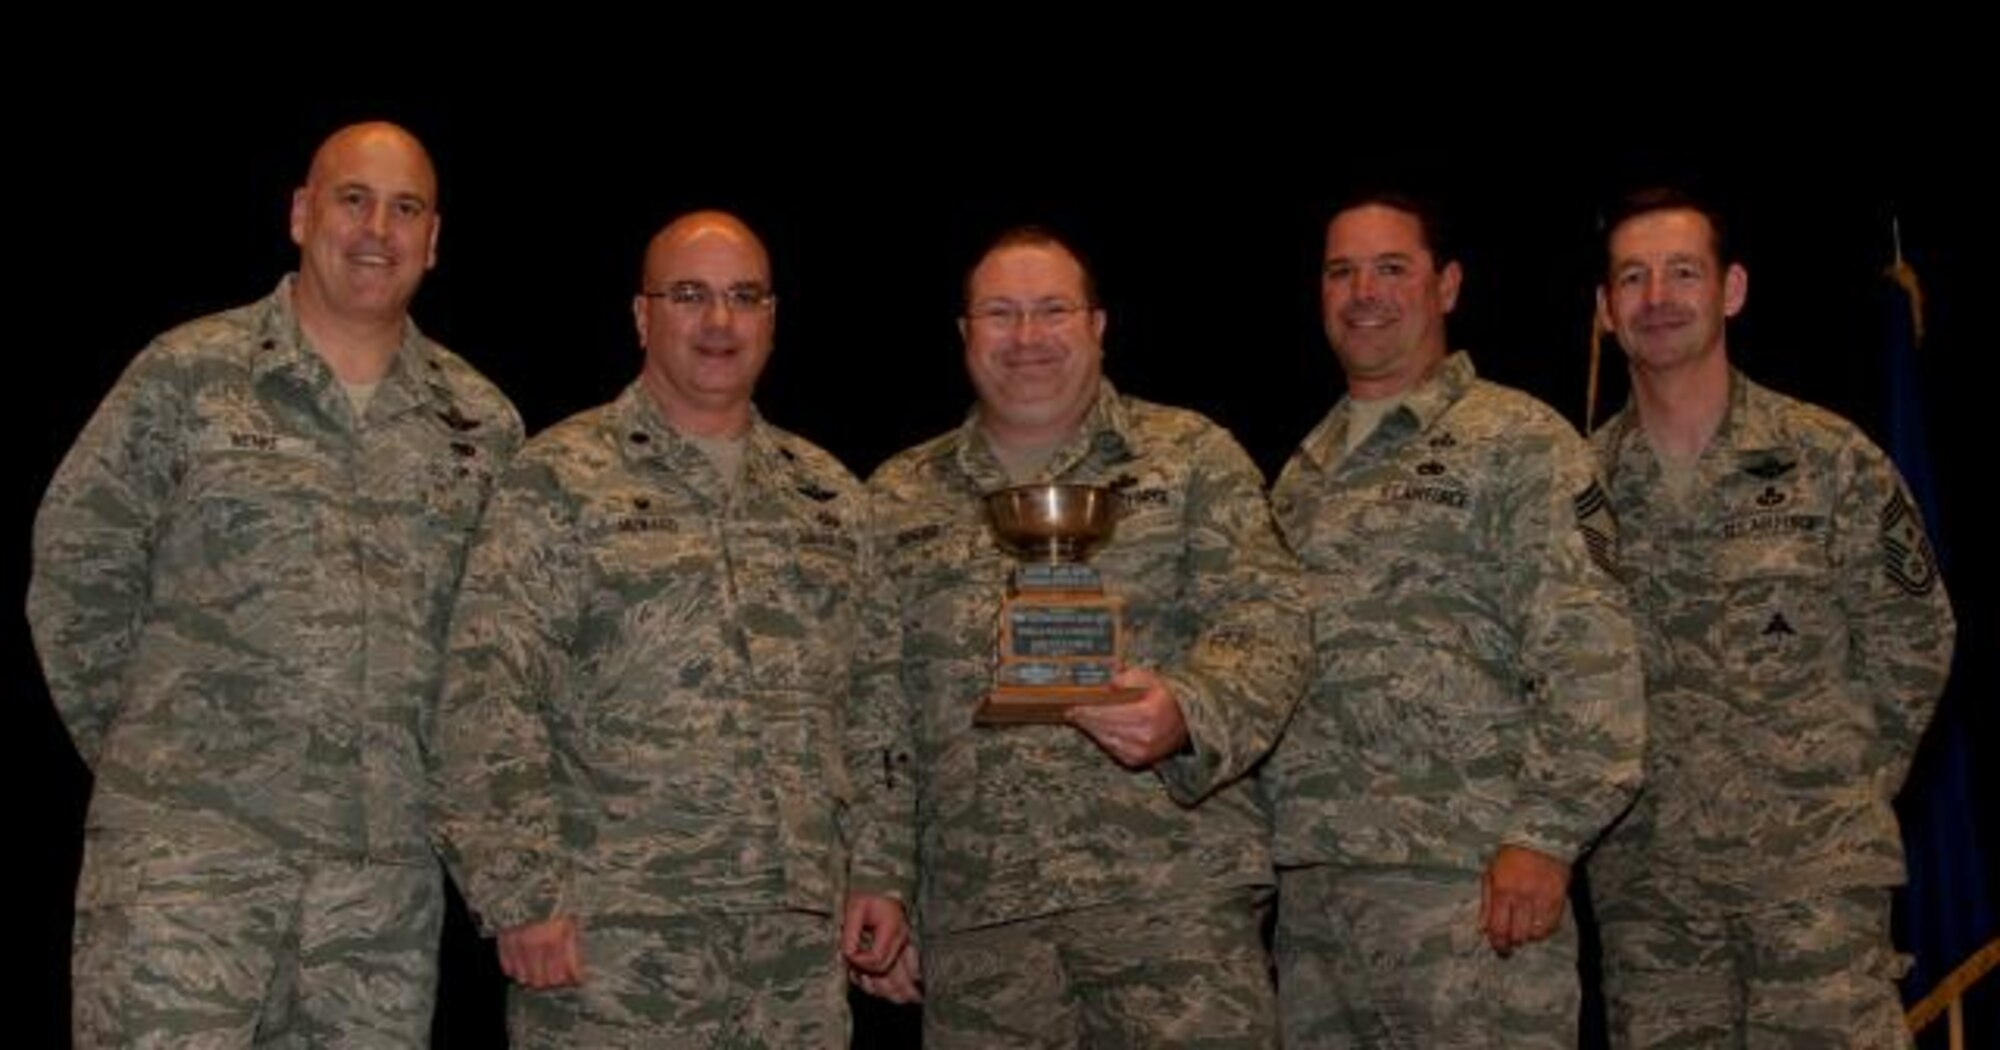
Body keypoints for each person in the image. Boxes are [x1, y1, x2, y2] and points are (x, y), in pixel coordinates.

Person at [28, 121, 522, 1046]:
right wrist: (164, 764)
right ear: (302, 214)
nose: (377, 228)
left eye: (404, 208)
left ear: (434, 239)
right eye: (353, 198)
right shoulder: (189, 376)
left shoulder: (481, 426)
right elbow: (75, 573)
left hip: (379, 905)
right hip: (187, 880)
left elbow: (496, 660)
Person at [432, 210, 907, 1047]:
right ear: (643, 315)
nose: (719, 322)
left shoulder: (829, 495)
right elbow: (487, 688)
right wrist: (520, 894)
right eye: (690, 295)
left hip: (795, 946)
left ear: (772, 316)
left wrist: (879, 869)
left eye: (743, 296)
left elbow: (876, 703)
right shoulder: (560, 478)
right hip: (613, 941)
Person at [854, 226, 1309, 1047]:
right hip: (978, 924)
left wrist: (1189, 712)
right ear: (965, 334)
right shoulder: (895, 497)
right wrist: (882, 880)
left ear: (1098, 325)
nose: (1026, 337)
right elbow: (876, 710)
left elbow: (1270, 623)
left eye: (1052, 310)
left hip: (1174, 906)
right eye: (1000, 313)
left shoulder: (1191, 458)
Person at [1263, 191, 1645, 1047]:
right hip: (1318, 901)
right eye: (1341, 271)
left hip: (1470, 893)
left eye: (1392, 267)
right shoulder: (1301, 472)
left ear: (1447, 286)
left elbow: (1591, 659)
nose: (1364, 290)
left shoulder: (1519, 440)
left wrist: (1545, 838)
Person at [1586, 186, 1955, 1048]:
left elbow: (1916, 634)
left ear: (1733, 289)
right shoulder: (1576, 492)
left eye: (1683, 272)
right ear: (1606, 311)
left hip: (1814, 884)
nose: (1658, 298)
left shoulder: (1829, 457)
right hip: (1651, 896)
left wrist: (1838, 787)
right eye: (1633, 278)